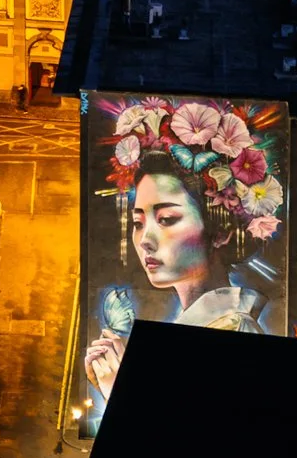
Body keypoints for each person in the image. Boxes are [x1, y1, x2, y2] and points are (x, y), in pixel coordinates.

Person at [82, 147, 269, 403]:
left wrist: (121, 389)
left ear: (221, 231)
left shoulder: (235, 329)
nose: (145, 240)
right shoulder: (203, 326)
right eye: (138, 223)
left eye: (167, 219)